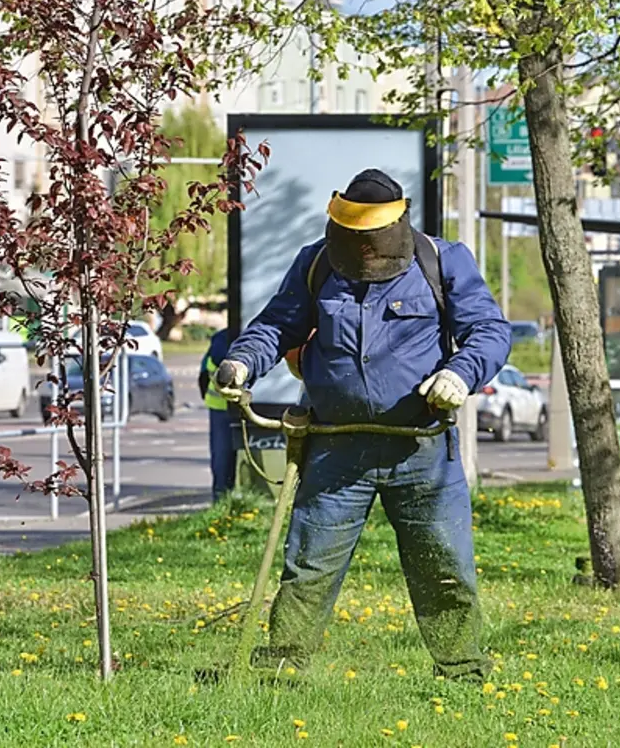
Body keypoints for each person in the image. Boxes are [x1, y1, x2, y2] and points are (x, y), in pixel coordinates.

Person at [213, 169, 511, 680]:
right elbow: (275, 325)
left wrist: (459, 375)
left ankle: (461, 672)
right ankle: (281, 670)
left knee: (443, 569)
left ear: (395, 228)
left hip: (420, 450)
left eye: (372, 241)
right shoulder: (315, 263)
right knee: (308, 568)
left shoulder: (442, 260)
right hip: (335, 448)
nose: (364, 252)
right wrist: (242, 362)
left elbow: (489, 330)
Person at [199, 328, 236, 502]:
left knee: (221, 457)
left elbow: (203, 375)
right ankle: (227, 499)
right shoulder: (241, 336)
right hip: (240, 408)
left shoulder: (220, 339)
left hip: (219, 408)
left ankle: (220, 500)